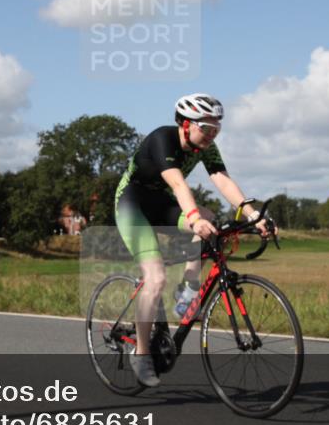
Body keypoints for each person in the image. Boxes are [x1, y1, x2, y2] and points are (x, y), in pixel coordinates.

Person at [114, 93, 273, 387]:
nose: (211, 134)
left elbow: (223, 180)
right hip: (133, 204)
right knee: (156, 277)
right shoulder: (163, 139)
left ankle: (187, 290)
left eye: (216, 129)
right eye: (205, 127)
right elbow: (177, 183)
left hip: (161, 204)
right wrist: (194, 218)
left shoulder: (206, 147)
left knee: (214, 220)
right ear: (185, 124)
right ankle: (142, 352)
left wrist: (252, 215)